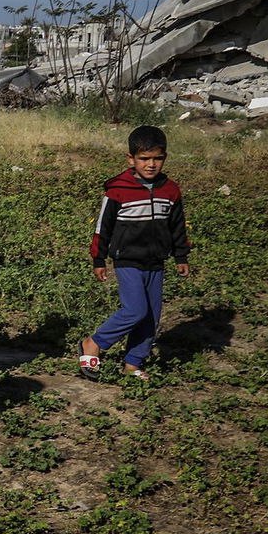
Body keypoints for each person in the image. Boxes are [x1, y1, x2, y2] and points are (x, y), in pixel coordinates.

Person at [79, 125, 190, 382]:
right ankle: (94, 343)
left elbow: (177, 225)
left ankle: (133, 363)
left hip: (156, 261)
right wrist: (99, 258)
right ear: (131, 159)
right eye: (144, 159)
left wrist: (181, 256)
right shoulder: (118, 190)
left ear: (165, 157)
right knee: (135, 310)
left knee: (151, 316)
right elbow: (102, 228)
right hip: (127, 260)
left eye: (157, 158)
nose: (151, 164)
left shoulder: (170, 190)